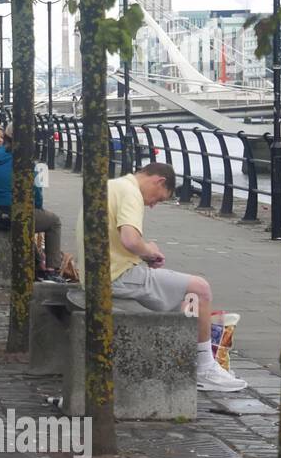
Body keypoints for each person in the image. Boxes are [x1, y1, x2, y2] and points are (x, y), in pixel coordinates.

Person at [78, 163, 248, 392]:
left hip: (97, 273)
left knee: (184, 299)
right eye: (158, 199)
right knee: (200, 289)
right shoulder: (131, 193)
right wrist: (149, 251)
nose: (153, 205)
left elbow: (119, 240)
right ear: (158, 181)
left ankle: (188, 358)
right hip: (116, 275)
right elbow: (129, 239)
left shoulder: (111, 185)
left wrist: (145, 252)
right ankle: (204, 368)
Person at [0, 125, 63, 275]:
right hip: (17, 214)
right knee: (54, 222)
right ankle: (50, 268)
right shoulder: (26, 161)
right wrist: (36, 208)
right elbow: (36, 194)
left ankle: (38, 260)